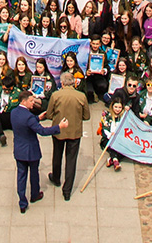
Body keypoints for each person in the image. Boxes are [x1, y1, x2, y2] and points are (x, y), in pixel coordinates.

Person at [10, 90, 67, 213]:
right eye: (31, 101)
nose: (33, 103)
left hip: (19, 150)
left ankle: (22, 202)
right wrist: (59, 127)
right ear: (24, 102)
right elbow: (42, 131)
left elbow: (25, 124)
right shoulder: (29, 117)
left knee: (21, 176)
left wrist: (37, 118)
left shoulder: (14, 113)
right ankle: (34, 194)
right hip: (31, 151)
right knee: (34, 173)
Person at [45, 71, 90, 200]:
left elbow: (49, 114)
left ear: (62, 83)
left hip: (59, 130)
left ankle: (56, 177)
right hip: (74, 132)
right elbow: (86, 116)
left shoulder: (56, 95)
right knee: (71, 160)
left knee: (57, 155)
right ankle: (67, 190)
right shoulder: (81, 96)